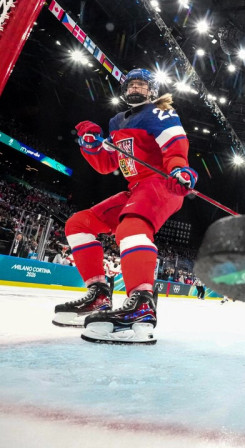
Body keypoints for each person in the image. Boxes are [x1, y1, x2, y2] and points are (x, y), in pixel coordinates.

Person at [51, 68, 198, 345]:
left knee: (131, 228)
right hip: (136, 189)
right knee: (78, 224)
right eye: (132, 84)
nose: (136, 89)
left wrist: (181, 171)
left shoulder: (159, 113)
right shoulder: (117, 122)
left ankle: (142, 306)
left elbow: (176, 148)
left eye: (142, 85)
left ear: (152, 91)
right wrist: (91, 145)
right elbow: (107, 165)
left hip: (161, 184)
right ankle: (99, 295)